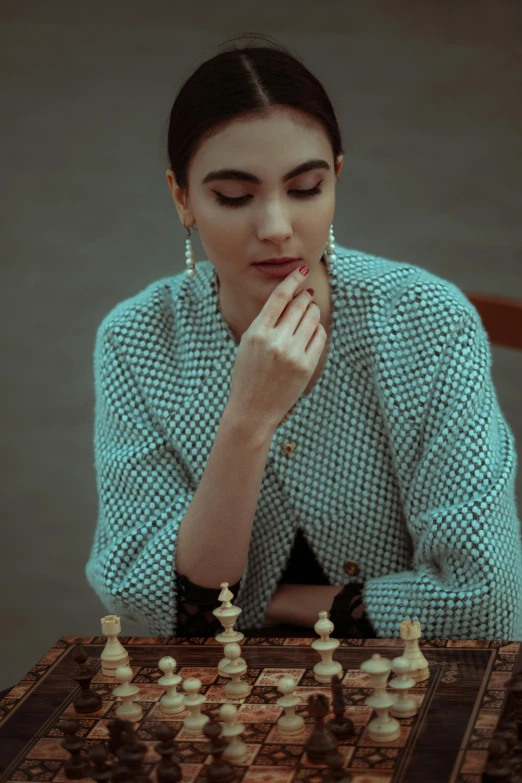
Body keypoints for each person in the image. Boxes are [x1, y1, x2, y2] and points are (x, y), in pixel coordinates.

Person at [85, 33, 522, 640]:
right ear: (181, 198)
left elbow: (488, 600)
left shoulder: (426, 321)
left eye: (305, 189)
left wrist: (284, 604)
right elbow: (152, 598)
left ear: (336, 180)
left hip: (414, 692)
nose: (276, 228)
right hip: (228, 703)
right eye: (234, 196)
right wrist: (247, 417)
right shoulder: (137, 341)